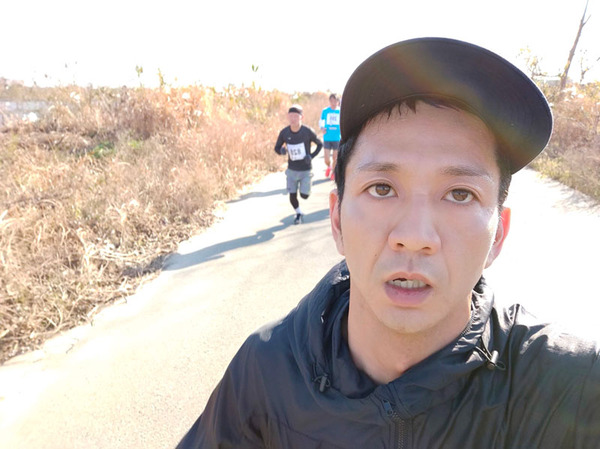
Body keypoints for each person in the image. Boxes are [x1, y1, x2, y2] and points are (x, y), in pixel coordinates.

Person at [177, 38, 600, 448]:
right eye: (382, 188)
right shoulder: (264, 375)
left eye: (459, 194)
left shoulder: (573, 387)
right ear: (337, 219)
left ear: (498, 235)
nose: (414, 238)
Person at [273, 104, 323, 224]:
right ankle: (298, 212)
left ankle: (306, 188)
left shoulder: (307, 131)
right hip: (292, 169)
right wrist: (281, 151)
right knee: (292, 194)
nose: (293, 119)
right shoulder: (284, 132)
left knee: (304, 195)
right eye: (291, 116)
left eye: (296, 116)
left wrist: (311, 156)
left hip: (305, 169)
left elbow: (319, 144)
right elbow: (277, 148)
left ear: (302, 117)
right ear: (288, 117)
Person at [319, 93, 341, 180]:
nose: (333, 103)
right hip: (327, 137)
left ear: (338, 101)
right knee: (326, 159)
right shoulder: (325, 111)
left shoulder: (340, 111)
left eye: (335, 101)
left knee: (335, 157)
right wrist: (322, 128)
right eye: (331, 101)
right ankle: (329, 167)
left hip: (337, 137)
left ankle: (333, 172)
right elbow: (321, 121)